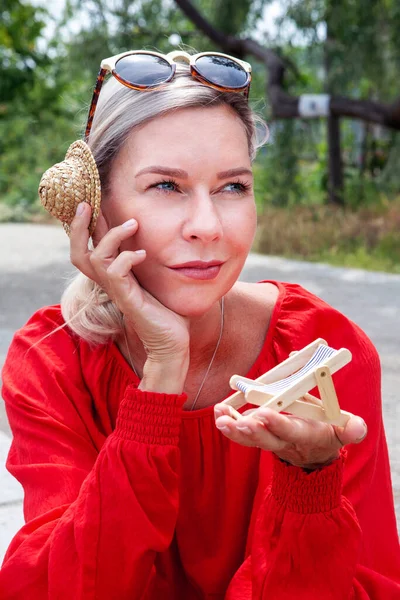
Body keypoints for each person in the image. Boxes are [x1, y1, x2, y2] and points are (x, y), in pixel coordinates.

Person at [0, 50, 399, 600]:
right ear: (95, 206)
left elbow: (368, 583)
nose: (208, 226)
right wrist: (163, 367)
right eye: (167, 186)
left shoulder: (321, 349)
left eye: (233, 187)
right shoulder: (52, 362)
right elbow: (60, 586)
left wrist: (311, 480)